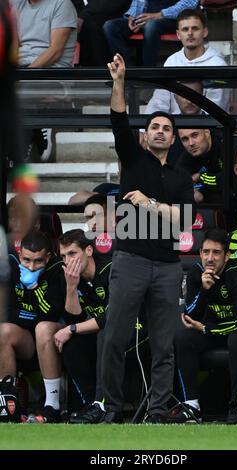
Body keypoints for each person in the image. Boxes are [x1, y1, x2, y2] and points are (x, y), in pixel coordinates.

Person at [100, 53, 195, 424]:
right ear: (146, 135)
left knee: (164, 346)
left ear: (173, 138)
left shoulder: (180, 175)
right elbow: (118, 120)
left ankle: (157, 411)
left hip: (169, 266)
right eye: (154, 126)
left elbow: (183, 221)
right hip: (131, 260)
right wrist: (119, 81)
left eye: (166, 128)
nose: (159, 131)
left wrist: (149, 203)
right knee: (114, 338)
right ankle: (110, 408)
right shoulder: (134, 159)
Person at [173, 228, 237, 424]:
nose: (210, 258)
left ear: (227, 256)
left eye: (216, 253)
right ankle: (191, 405)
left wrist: (205, 329)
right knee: (183, 338)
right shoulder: (196, 273)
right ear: (200, 253)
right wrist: (203, 290)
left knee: (236, 339)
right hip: (219, 327)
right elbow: (190, 314)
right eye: (206, 252)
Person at [0, 232, 65, 422]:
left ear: (48, 257)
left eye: (38, 261)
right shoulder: (11, 264)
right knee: (3, 331)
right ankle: (7, 401)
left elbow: (52, 313)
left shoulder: (57, 269)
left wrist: (34, 288)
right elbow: (7, 312)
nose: (31, 266)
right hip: (26, 338)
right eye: (26, 260)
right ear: (20, 255)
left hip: (55, 338)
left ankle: (52, 406)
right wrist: (33, 317)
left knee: (43, 327)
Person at [53, 229, 112, 420]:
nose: (67, 261)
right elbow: (73, 320)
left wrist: (71, 329)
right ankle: (90, 406)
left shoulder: (110, 269)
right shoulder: (68, 276)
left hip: (132, 331)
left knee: (105, 335)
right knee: (71, 344)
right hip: (97, 333)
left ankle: (103, 405)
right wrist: (71, 287)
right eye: (63, 256)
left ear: (88, 250)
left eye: (72, 253)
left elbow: (110, 318)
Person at [11, 0, 77, 162]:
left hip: (52, 71)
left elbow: (56, 50)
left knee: (20, 92)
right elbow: (12, 45)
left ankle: (30, 143)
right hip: (22, 68)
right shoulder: (16, 4)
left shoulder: (62, 4)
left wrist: (25, 75)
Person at [143, 9, 229, 112]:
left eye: (195, 28)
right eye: (185, 29)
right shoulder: (172, 61)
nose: (190, 33)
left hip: (207, 127)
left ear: (205, 32)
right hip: (174, 126)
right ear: (178, 35)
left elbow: (216, 108)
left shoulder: (218, 64)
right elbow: (159, 103)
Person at [103, 1, 199, 67]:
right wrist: (133, 17)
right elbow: (138, 2)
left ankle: (148, 72)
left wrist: (159, 15)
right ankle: (126, 71)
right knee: (110, 26)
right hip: (146, 18)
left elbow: (189, 3)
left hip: (174, 19)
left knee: (151, 26)